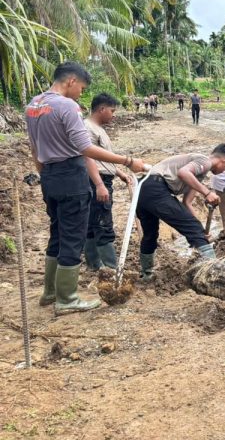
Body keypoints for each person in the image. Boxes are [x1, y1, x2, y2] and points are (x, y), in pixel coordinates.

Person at [26, 62, 147, 315]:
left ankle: (50, 292)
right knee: (73, 236)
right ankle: (67, 299)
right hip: (71, 175)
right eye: (81, 87)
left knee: (57, 233)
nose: (81, 93)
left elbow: (35, 148)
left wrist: (45, 176)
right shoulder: (66, 105)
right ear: (70, 81)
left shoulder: (34, 105)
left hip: (49, 175)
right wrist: (127, 161)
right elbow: (85, 148)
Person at [135, 144, 225, 281]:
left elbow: (186, 203)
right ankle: (214, 271)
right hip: (155, 187)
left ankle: (146, 274)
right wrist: (207, 193)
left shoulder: (198, 175)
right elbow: (183, 172)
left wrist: (200, 231)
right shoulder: (204, 161)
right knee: (193, 228)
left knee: (150, 235)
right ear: (224, 161)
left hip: (142, 190)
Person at [83, 93, 132, 271]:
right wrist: (99, 184)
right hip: (97, 180)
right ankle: (112, 269)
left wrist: (119, 173)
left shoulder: (98, 129)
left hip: (101, 178)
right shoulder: (88, 128)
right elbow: (87, 157)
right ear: (102, 109)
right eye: (112, 111)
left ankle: (94, 264)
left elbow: (101, 159)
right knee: (103, 223)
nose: (113, 115)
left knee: (91, 223)